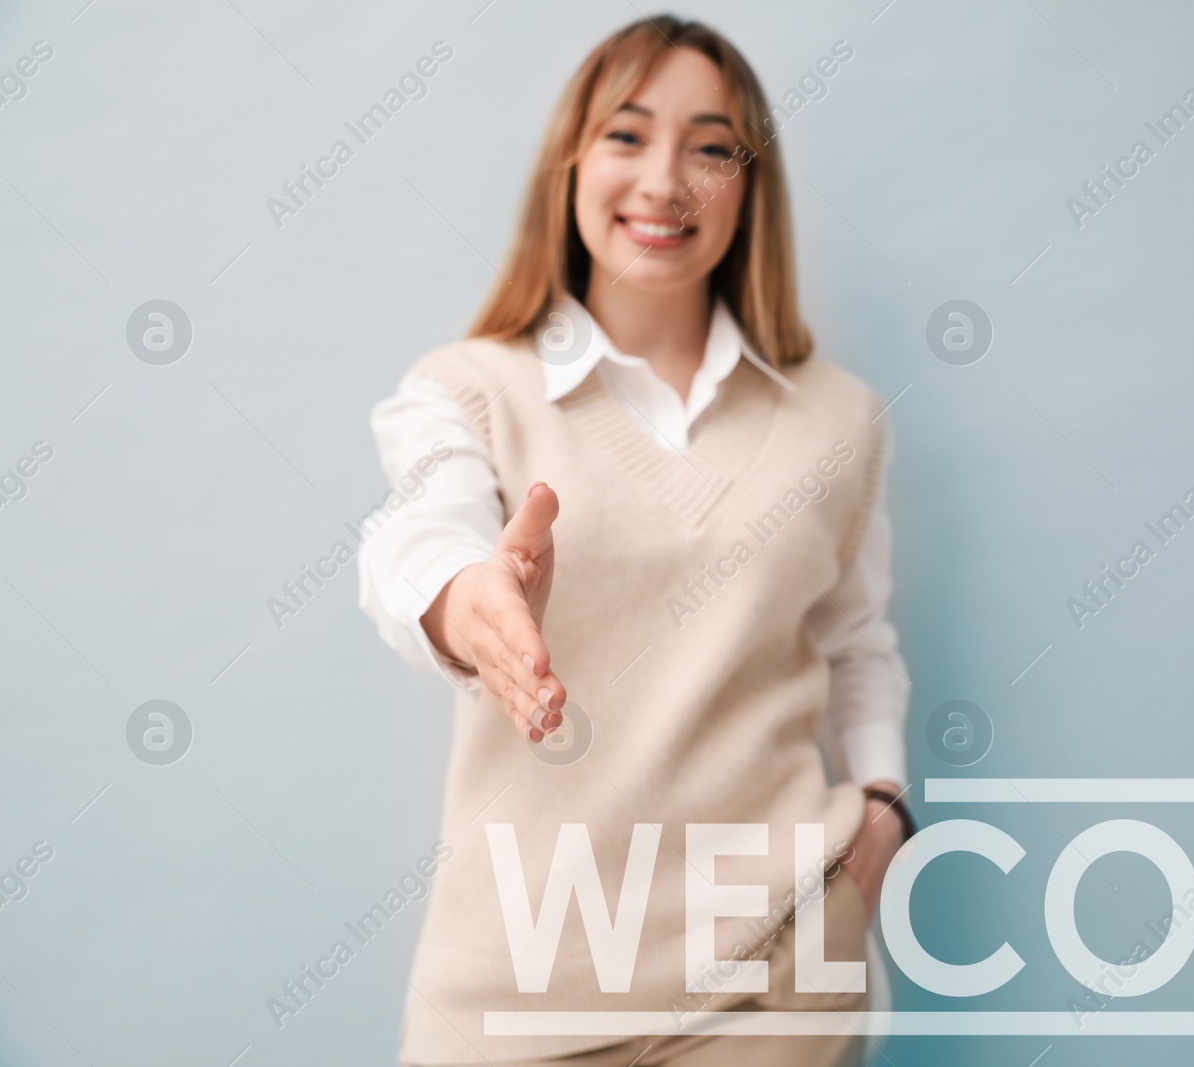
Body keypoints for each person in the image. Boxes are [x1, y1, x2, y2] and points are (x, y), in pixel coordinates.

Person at [356, 15, 911, 1066]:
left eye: (710, 146)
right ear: (570, 161)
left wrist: (883, 809)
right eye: (625, 135)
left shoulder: (840, 422)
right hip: (515, 995)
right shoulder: (467, 389)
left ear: (751, 189)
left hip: (777, 991)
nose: (665, 180)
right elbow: (419, 536)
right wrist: (468, 598)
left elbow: (857, 644)